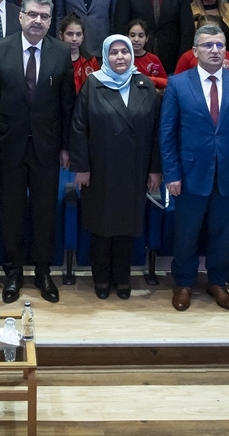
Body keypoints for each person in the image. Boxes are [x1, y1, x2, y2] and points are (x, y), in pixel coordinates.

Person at [159, 25, 229, 312]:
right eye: (208, 45)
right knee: (186, 232)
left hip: (228, 172)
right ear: (195, 51)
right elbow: (167, 133)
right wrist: (172, 173)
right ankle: (184, 283)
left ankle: (218, 282)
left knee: (221, 231)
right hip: (189, 174)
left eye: (219, 45)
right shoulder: (178, 83)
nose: (215, 50)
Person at [0, 0, 76, 304]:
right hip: (7, 145)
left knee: (44, 213)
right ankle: (12, 273)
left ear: (50, 22)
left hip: (47, 147)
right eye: (33, 15)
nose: (38, 21)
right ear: (20, 17)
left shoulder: (61, 52)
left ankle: (42, 271)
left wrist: (66, 146)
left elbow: (68, 104)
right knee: (9, 212)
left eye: (44, 17)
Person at [70, 34, 161, 300]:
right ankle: (101, 277)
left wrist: (155, 168)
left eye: (125, 52)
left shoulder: (144, 84)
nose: (120, 57)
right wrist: (82, 166)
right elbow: (79, 128)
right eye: (114, 52)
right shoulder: (93, 84)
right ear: (105, 56)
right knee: (101, 225)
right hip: (100, 168)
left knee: (126, 226)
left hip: (135, 168)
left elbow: (156, 130)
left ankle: (122, 277)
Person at [60, 14, 99, 92]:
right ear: (61, 35)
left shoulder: (91, 61)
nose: (74, 39)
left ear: (83, 37)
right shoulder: (54, 60)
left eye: (78, 34)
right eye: (70, 34)